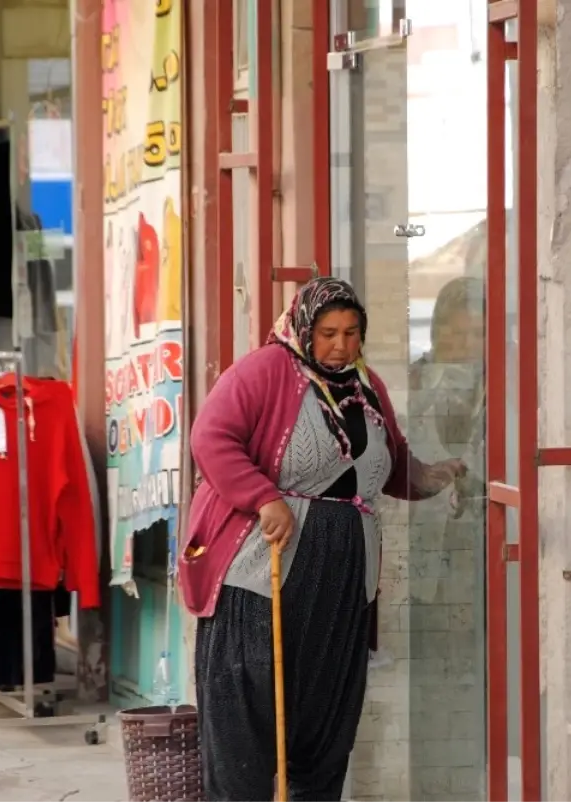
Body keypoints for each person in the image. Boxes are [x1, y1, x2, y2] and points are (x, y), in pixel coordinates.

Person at [181, 277, 465, 801]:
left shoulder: (367, 386)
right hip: (266, 569)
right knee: (249, 709)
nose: (341, 344)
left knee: (326, 714)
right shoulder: (267, 369)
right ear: (305, 330)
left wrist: (437, 476)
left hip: (342, 576)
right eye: (329, 333)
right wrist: (262, 497)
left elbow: (390, 467)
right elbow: (210, 436)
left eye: (352, 333)